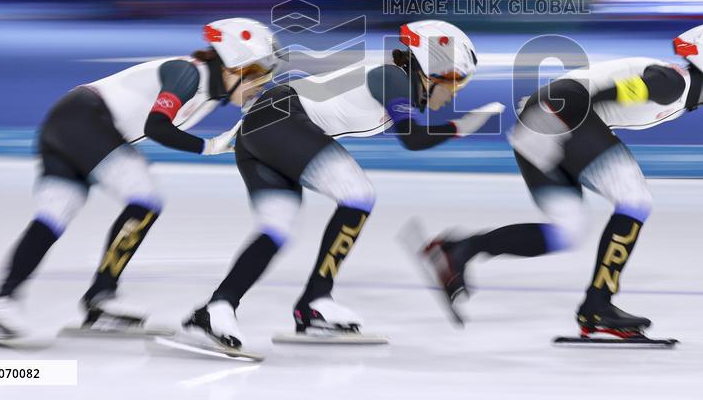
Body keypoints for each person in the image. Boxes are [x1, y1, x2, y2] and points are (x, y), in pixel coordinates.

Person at [418, 22, 703, 338]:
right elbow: (606, 93)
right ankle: (597, 306)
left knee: (568, 230)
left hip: (542, 121)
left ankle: (458, 250)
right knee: (635, 198)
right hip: (560, 114)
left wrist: (547, 114)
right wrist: (555, 111)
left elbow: (602, 97)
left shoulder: (674, 89)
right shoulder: (672, 83)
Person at [184, 20, 504, 349]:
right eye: (453, 79)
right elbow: (413, 139)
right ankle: (314, 300)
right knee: (357, 194)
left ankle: (218, 307)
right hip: (277, 121)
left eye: (461, 84)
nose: (454, 91)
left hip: (263, 128)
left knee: (278, 228)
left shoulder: (395, 80)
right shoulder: (394, 77)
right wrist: (461, 127)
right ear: (428, 67)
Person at [0, 18, 281, 342]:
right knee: (145, 199)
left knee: (54, 216)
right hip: (83, 119)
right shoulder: (189, 73)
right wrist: (208, 146)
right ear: (234, 63)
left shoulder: (209, 94)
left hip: (70, 122)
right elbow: (157, 127)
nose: (260, 84)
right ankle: (100, 296)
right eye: (256, 73)